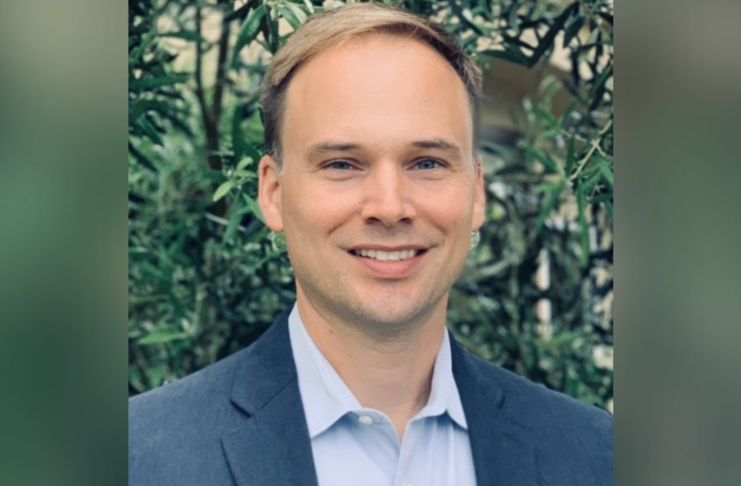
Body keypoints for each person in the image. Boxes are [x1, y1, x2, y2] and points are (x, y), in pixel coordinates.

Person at [128, 3, 612, 486]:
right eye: (342, 164)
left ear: (477, 193)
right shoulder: (138, 458)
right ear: (272, 194)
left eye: (426, 163)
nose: (389, 205)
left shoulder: (596, 455)